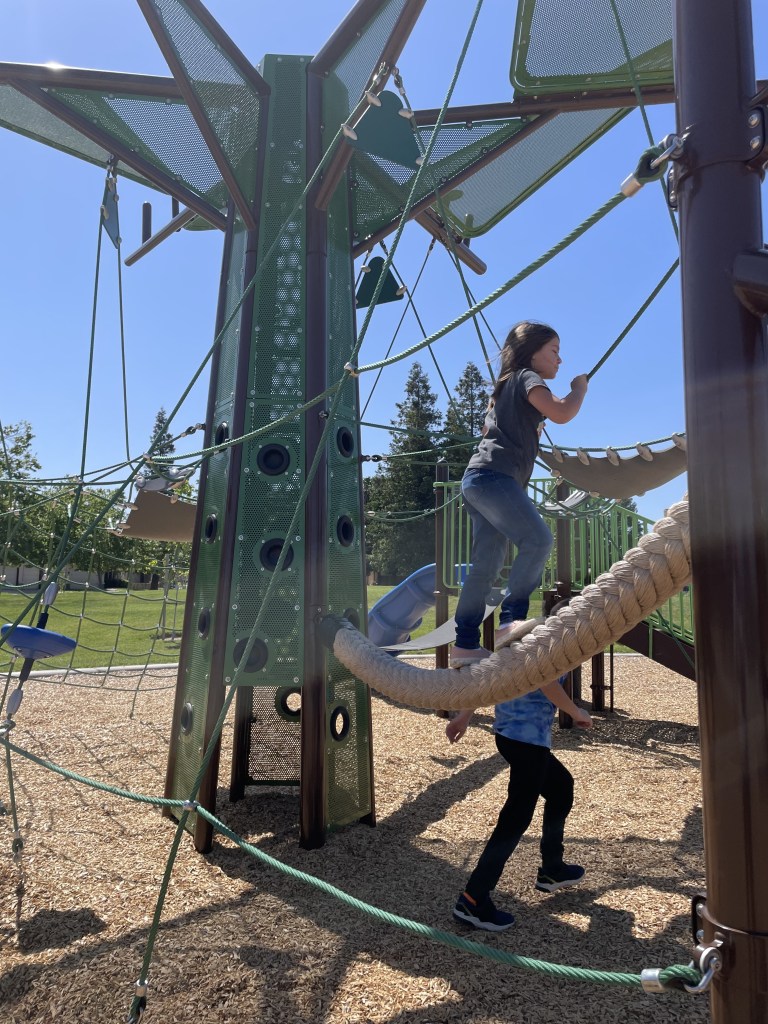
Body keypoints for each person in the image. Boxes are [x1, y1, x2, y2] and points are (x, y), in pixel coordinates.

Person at [450, 321, 588, 668]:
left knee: (486, 565)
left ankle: (465, 644)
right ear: (531, 353)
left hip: (477, 480)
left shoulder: (504, 388)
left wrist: (532, 422)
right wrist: (579, 389)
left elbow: (497, 428)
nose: (560, 359)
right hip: (495, 478)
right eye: (554, 351)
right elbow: (563, 412)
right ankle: (511, 619)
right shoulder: (527, 376)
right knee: (538, 540)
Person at [447, 675, 593, 931]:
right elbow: (546, 682)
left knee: (560, 787)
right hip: (527, 740)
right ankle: (473, 900)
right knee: (515, 819)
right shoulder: (544, 647)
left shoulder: (513, 645)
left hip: (511, 734)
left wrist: (464, 715)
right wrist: (575, 712)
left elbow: (494, 674)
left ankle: (552, 869)